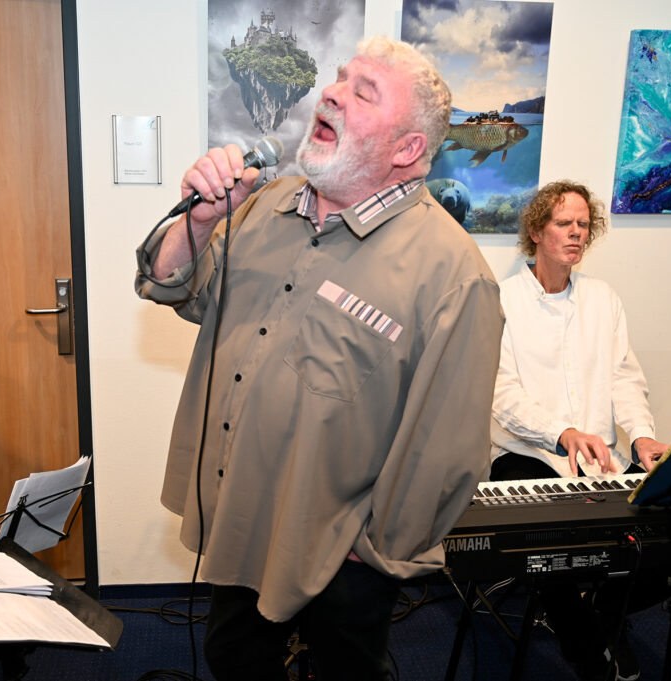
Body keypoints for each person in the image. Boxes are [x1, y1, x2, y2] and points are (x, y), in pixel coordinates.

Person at [136, 36, 504, 681]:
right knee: (234, 659)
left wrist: (373, 553)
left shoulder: (453, 274)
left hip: (341, 550)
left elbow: (444, 448)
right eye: (340, 78)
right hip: (242, 511)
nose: (331, 92)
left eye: (364, 91)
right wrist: (197, 223)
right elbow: (175, 289)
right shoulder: (263, 205)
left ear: (407, 150)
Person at [489, 180, 669, 681]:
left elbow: (624, 379)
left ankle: (604, 620)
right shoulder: (502, 299)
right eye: (563, 224)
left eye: (584, 225)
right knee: (547, 543)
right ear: (536, 230)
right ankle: (585, 640)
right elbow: (500, 394)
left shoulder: (603, 298)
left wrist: (641, 436)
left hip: (599, 460)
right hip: (525, 454)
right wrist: (561, 432)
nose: (576, 234)